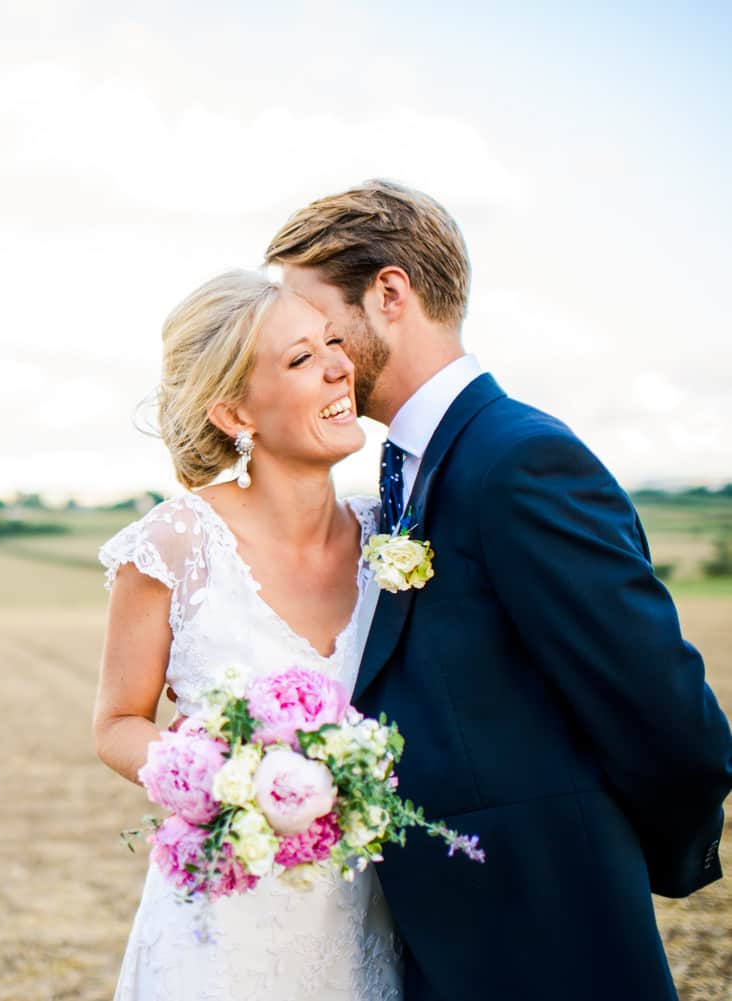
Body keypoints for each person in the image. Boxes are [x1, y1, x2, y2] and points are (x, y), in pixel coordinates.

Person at [260, 179, 732, 1000]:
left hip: (551, 938)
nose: (312, 351)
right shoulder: (401, 475)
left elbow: (664, 711)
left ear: (390, 293)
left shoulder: (519, 460)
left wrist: (600, 858)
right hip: (447, 941)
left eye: (316, 322)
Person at [93, 268, 403, 1000]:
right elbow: (116, 724)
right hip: (222, 934)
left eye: (334, 342)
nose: (338, 365)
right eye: (301, 358)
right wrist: (237, 780)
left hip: (371, 916)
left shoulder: (392, 534)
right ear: (236, 413)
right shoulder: (173, 545)